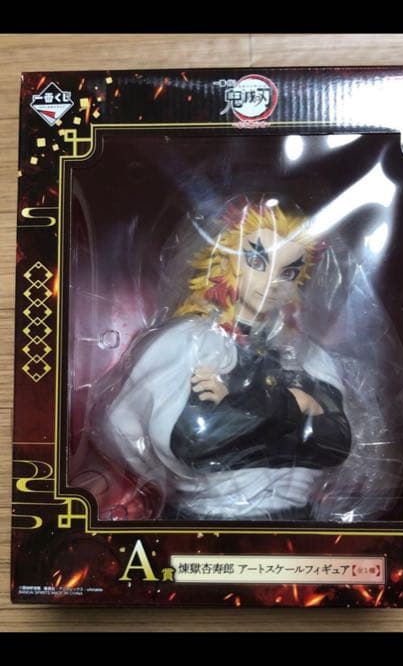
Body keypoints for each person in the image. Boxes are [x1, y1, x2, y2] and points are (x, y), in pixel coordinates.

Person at [98, 198, 352, 521]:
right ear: (223, 256)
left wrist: (239, 406)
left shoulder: (306, 356)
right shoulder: (188, 343)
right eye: (257, 260)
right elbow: (195, 442)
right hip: (203, 519)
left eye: (288, 272)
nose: (272, 283)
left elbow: (335, 442)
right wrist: (299, 405)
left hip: (296, 524)